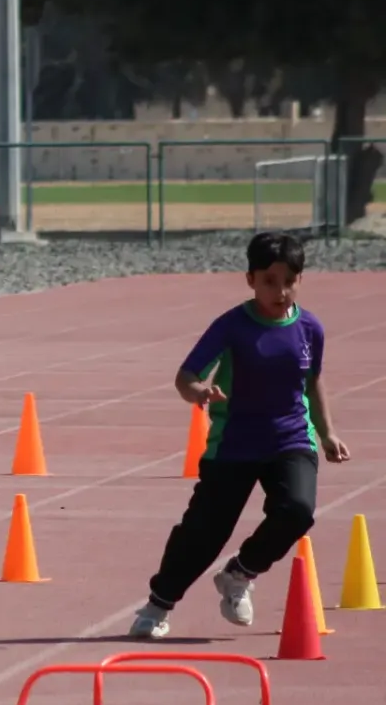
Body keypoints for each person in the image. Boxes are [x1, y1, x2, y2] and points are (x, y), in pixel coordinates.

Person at [129, 231, 351, 639]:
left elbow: (313, 380)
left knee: (297, 509)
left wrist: (327, 433)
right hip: (234, 444)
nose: (280, 291)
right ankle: (157, 605)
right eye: (269, 281)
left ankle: (240, 573)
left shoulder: (310, 328)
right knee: (204, 532)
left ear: (300, 280)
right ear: (250, 280)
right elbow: (186, 376)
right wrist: (200, 392)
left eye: (289, 281)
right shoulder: (232, 326)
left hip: (291, 439)